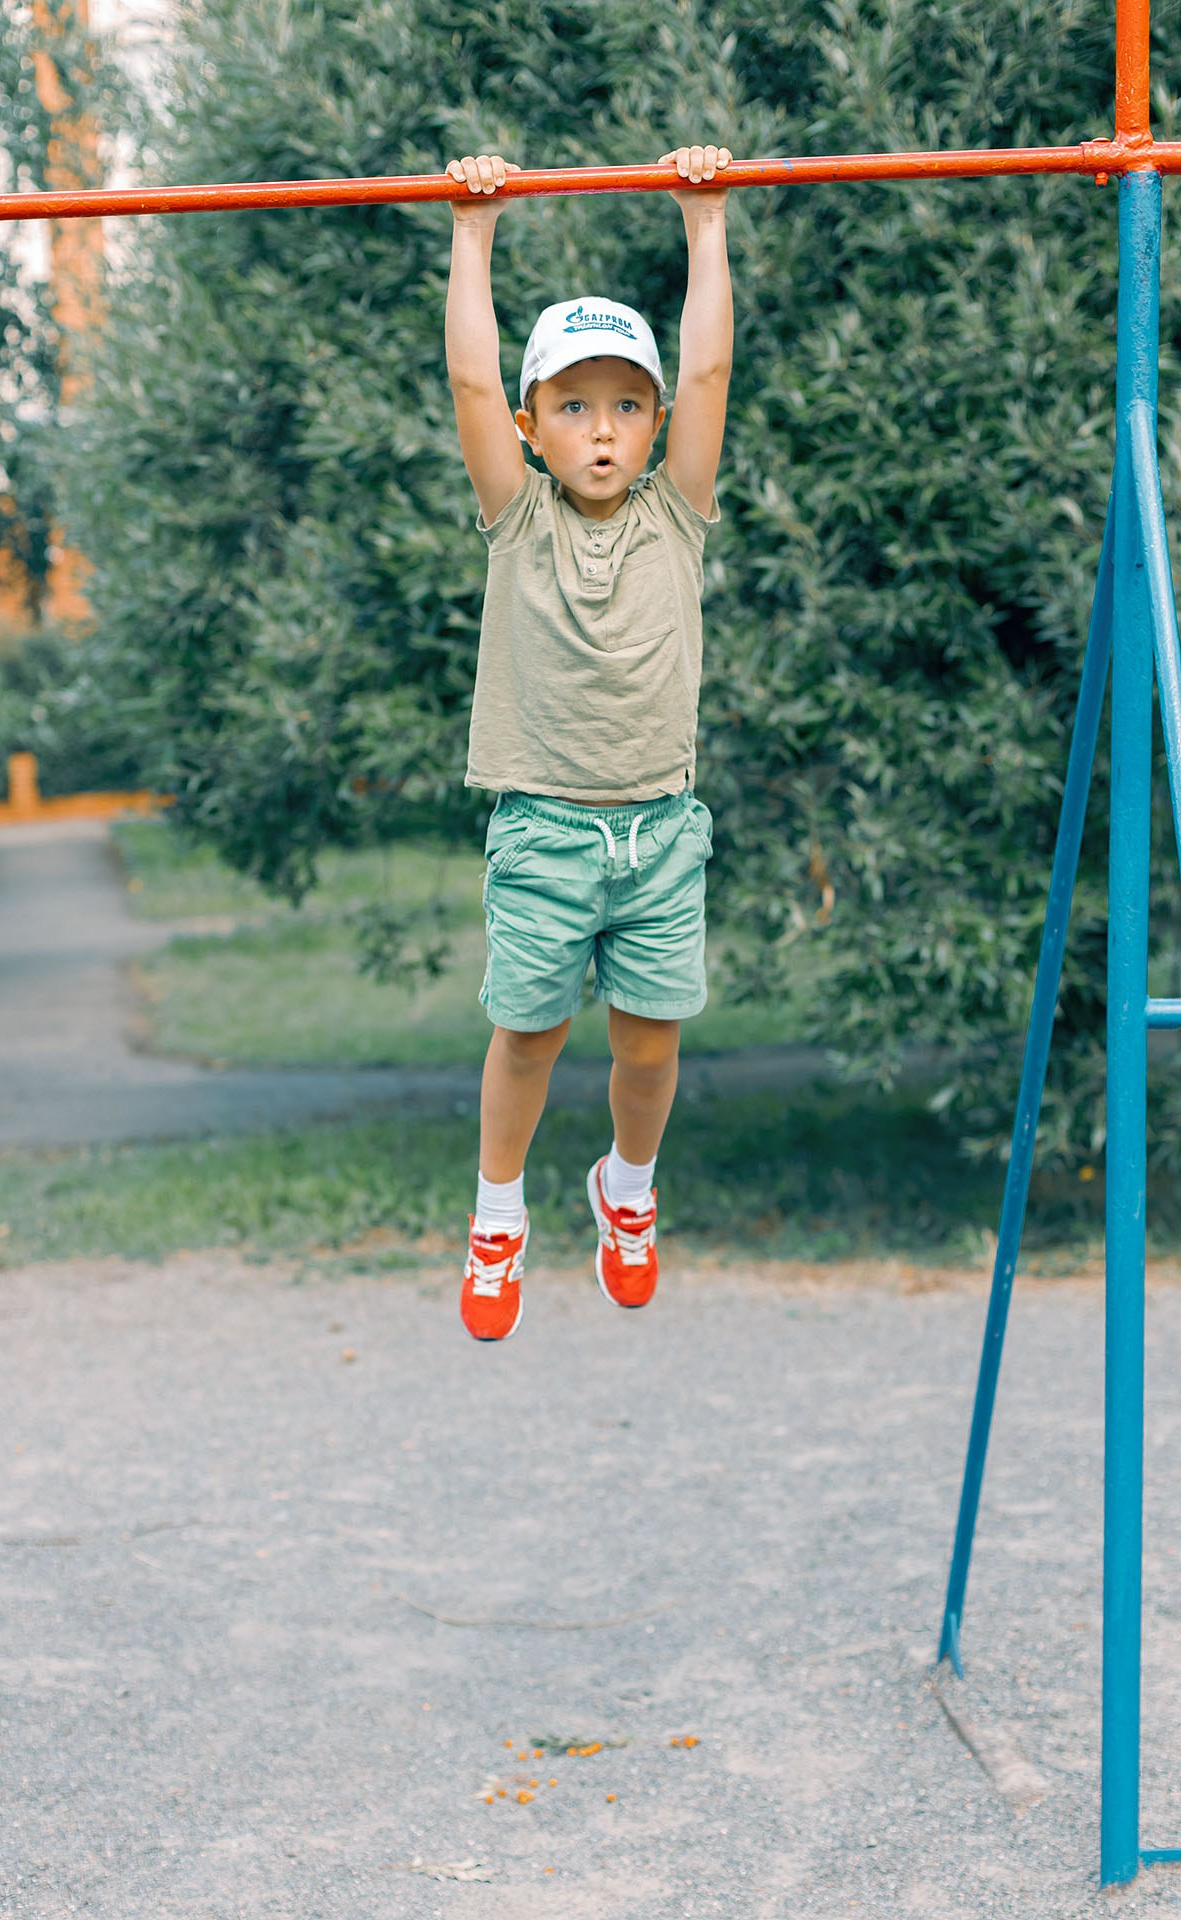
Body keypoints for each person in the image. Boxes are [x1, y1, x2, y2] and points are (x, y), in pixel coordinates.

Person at [445, 141, 733, 1341]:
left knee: (651, 1050)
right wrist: (472, 235)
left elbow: (712, 365)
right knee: (528, 1032)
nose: (602, 430)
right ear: (532, 427)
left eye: (626, 405)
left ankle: (625, 1188)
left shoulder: (678, 512)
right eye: (574, 407)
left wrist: (704, 225)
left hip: (660, 832)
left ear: (656, 421)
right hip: (546, 828)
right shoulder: (515, 521)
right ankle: (497, 1212)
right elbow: (465, 386)